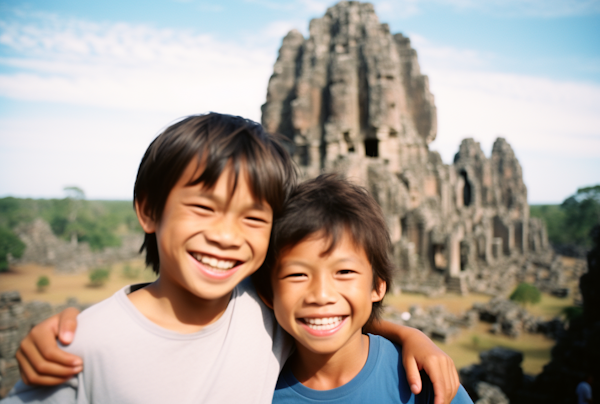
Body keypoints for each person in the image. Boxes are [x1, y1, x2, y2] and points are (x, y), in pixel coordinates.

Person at [4, 113, 459, 404]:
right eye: (203, 208)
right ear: (148, 210)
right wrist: (66, 335)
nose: (224, 236)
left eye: (253, 218)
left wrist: (408, 335)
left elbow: (327, 311)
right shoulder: (80, 347)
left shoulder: (259, 313)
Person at [254, 175, 472, 403]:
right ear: (269, 294)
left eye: (344, 272)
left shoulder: (424, 381)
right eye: (297, 274)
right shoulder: (255, 390)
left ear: (377, 287)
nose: (321, 295)